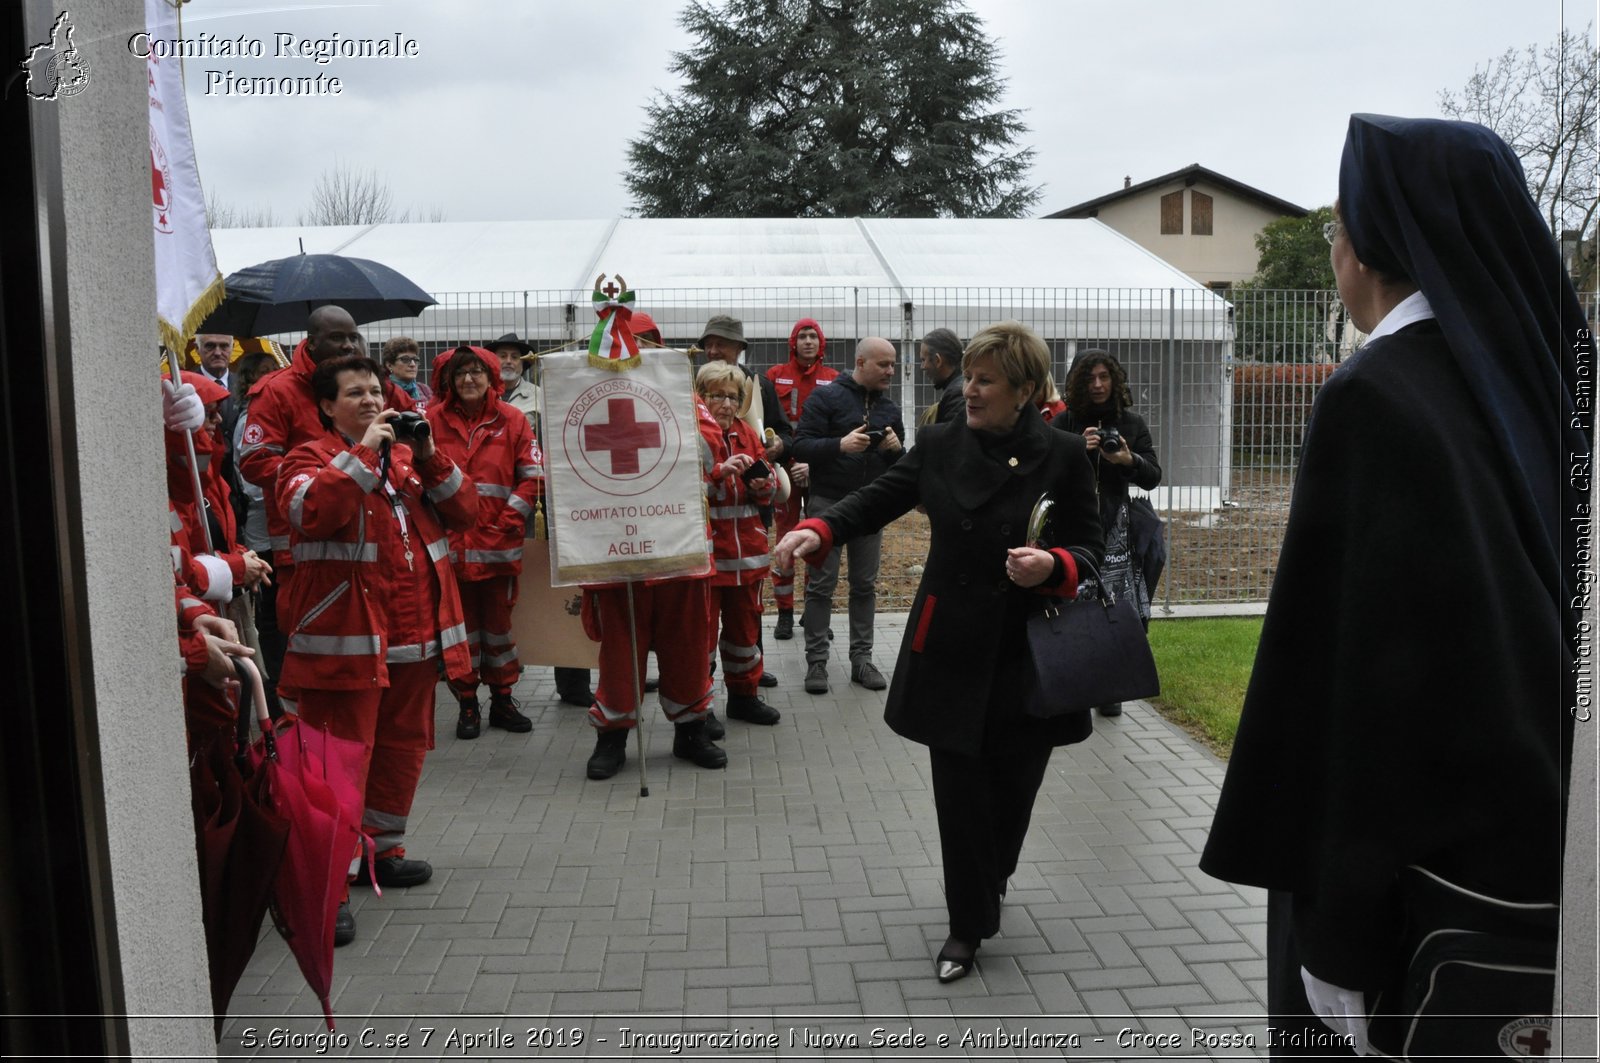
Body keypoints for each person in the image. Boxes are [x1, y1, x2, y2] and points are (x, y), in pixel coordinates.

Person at [1201, 115, 1588, 1057]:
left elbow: (1365, 684)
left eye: (1339, 226)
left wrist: (1339, 938)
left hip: (1413, 890)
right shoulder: (1551, 384)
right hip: (1543, 860)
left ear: (1371, 250)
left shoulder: (1379, 395)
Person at [776, 320, 1102, 982]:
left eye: (986, 380)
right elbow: (875, 499)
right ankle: (967, 925)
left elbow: (1092, 551)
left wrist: (1056, 564)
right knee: (960, 795)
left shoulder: (1065, 454)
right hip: (950, 644)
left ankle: (990, 880)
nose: (970, 390)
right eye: (971, 377)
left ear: (1026, 391)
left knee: (1012, 791)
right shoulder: (939, 442)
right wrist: (819, 526)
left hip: (1029, 651)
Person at [276, 354, 476, 947]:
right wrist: (364, 453)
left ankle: (382, 852)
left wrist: (433, 453)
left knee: (400, 750)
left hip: (413, 638)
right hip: (345, 648)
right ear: (326, 407)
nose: (369, 400)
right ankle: (326, 887)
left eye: (374, 391)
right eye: (355, 393)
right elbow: (315, 513)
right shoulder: (306, 460)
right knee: (336, 771)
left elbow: (466, 513)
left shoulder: (408, 461)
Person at [425, 345, 541, 739]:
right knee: (460, 633)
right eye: (461, 374)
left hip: (497, 548)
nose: (469, 380)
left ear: (492, 379)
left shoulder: (513, 420)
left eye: (476, 372)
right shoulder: (431, 421)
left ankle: (503, 701)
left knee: (499, 631)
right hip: (449, 550)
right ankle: (468, 704)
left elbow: (532, 477)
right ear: (450, 381)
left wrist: (506, 522)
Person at [790, 336, 905, 694]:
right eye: (884, 364)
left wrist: (896, 450)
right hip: (828, 505)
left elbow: (900, 466)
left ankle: (862, 660)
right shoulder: (826, 398)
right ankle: (817, 663)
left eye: (893, 364)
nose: (891, 371)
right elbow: (800, 445)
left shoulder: (889, 409)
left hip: (870, 507)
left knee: (865, 585)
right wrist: (839, 445)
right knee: (821, 585)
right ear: (861, 362)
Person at [1055, 350, 1161, 716]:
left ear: (1114, 379)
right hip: (1072, 526)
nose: (1098, 385)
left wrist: (1128, 460)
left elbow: (1153, 475)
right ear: (1077, 383)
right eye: (1089, 378)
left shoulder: (1130, 424)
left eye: (1104, 377)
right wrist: (1075, 450)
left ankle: (1108, 686)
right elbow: (1044, 473)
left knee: (1113, 604)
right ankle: (1077, 682)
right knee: (1074, 603)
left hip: (1116, 526)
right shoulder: (1064, 424)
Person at [699, 314, 791, 690]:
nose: (725, 403)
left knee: (746, 628)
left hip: (748, 554)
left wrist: (762, 483)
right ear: (702, 397)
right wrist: (720, 472)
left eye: (732, 397)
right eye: (717, 395)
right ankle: (698, 709)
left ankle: (744, 694)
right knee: (701, 638)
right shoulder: (693, 434)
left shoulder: (747, 427)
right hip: (709, 557)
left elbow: (770, 481)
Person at [766, 318, 833, 640]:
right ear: (793, 342)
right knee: (786, 538)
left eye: (813, 336)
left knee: (817, 539)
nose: (808, 341)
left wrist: (815, 463)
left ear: (822, 343)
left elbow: (838, 431)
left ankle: (813, 612)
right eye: (802, 336)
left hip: (818, 471)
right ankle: (784, 613)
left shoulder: (833, 380)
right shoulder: (774, 376)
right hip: (785, 471)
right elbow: (766, 423)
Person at [915, 327, 966, 437]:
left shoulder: (956, 395)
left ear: (938, 360)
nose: (922, 367)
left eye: (924, 360)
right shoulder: (960, 388)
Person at [382, 336, 432, 410]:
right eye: (405, 359)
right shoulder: (383, 391)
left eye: (415, 359)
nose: (412, 364)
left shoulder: (424, 389)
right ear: (389, 365)